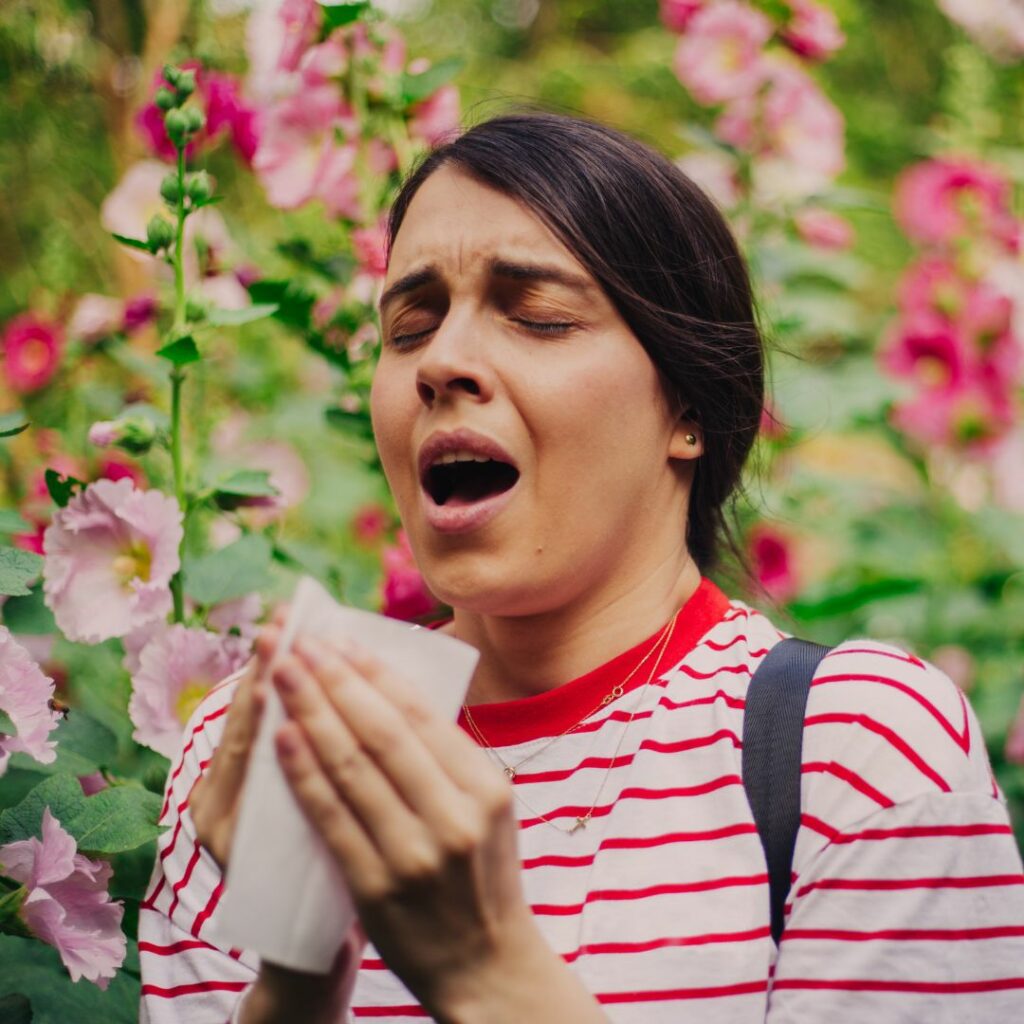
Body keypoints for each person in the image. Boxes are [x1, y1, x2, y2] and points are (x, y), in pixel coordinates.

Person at [139, 113, 1024, 1023]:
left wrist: (486, 975)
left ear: (689, 409)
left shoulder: (854, 752)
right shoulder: (261, 751)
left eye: (539, 317)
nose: (441, 362)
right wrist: (293, 981)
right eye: (410, 327)